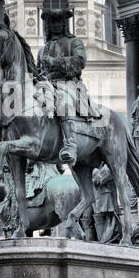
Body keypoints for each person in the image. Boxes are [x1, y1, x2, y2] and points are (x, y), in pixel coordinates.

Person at [38, 9, 101, 166]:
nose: (56, 25)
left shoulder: (75, 42)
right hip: (46, 86)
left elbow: (80, 62)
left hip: (68, 84)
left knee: (62, 101)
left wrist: (56, 62)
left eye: (59, 21)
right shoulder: (42, 50)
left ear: (65, 24)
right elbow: (37, 72)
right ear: (48, 25)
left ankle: (71, 145)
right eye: (53, 22)